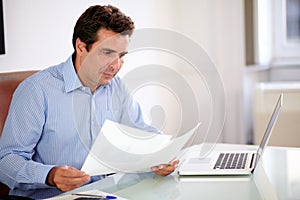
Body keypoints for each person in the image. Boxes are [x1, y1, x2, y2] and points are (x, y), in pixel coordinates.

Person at [0, 5, 179, 199]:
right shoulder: (37, 90)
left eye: (121, 56)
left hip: (106, 193)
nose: (116, 65)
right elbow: (6, 160)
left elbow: (141, 132)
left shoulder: (116, 86)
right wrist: (50, 175)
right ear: (81, 47)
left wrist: (162, 154)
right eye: (107, 53)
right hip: (52, 196)